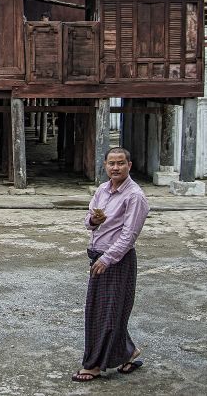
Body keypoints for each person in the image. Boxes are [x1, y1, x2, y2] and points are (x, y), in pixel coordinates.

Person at [72, 147, 149, 382]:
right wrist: (93, 220)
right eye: (111, 164)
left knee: (108, 313)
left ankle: (94, 365)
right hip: (98, 256)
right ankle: (128, 353)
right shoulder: (102, 190)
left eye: (120, 163)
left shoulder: (134, 196)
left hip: (117, 260)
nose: (115, 168)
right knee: (101, 311)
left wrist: (107, 259)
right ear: (105, 165)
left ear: (129, 166)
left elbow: (129, 235)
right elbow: (89, 221)